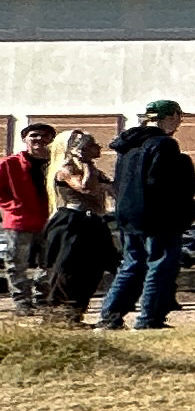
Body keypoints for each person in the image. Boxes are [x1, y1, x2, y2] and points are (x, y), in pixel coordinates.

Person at [100, 101, 195, 330]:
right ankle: (149, 318)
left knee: (132, 264)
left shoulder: (128, 145)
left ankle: (109, 316)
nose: (179, 123)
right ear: (171, 116)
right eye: (179, 117)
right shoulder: (164, 144)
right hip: (157, 216)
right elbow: (161, 183)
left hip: (127, 214)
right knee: (161, 265)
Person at [43, 130, 117, 323]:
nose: (98, 147)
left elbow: (113, 190)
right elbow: (87, 188)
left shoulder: (97, 172)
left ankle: (76, 314)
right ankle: (59, 316)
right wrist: (86, 162)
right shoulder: (66, 170)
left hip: (93, 223)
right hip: (71, 223)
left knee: (93, 270)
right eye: (91, 144)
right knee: (67, 270)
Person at [0, 120, 48, 308]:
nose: (39, 139)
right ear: (24, 139)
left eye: (44, 136)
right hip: (20, 221)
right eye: (34, 135)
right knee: (16, 265)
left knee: (49, 263)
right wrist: (11, 205)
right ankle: (22, 302)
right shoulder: (9, 163)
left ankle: (42, 298)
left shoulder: (55, 164)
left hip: (49, 221)